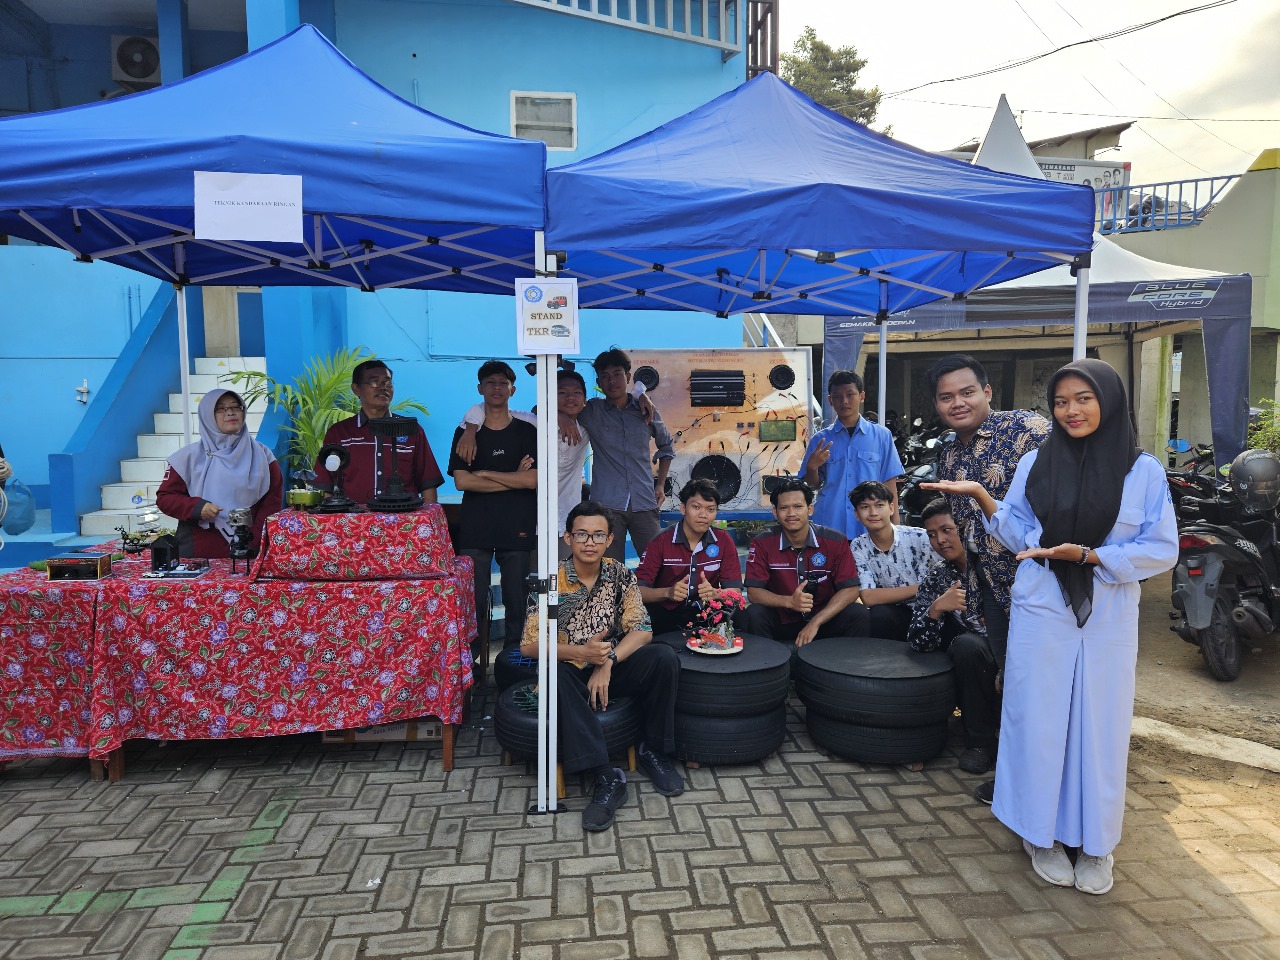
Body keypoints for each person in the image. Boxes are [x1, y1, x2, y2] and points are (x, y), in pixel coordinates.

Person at [926, 359, 1177, 896]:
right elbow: (1019, 534)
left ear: (1110, 401)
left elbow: (1161, 549)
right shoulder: (1036, 463)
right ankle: (1039, 833)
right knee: (1038, 718)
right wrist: (982, 497)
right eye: (1061, 401)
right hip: (1042, 605)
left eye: (1084, 398)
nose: (1071, 411)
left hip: (1107, 610)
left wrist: (1089, 555)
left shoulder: (1143, 470)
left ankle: (1097, 842)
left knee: (1099, 724)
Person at [520, 501, 684, 832]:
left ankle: (654, 751)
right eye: (581, 534)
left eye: (598, 535)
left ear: (610, 540)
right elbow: (530, 646)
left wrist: (607, 661)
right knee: (555, 676)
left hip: (610, 665)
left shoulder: (619, 574)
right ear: (568, 537)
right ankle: (606, 776)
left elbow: (642, 629)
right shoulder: (550, 582)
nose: (590, 542)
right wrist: (582, 652)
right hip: (569, 670)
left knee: (663, 658)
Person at [927, 353, 1049, 776]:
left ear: (987, 391)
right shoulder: (948, 454)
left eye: (967, 392)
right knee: (1012, 677)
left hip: (1039, 584)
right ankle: (1016, 774)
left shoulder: (1027, 430)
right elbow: (968, 532)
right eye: (946, 397)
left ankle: (1042, 776)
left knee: (1041, 682)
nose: (957, 403)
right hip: (992, 589)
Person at [452, 368, 649, 558]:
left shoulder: (588, 425)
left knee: (565, 577)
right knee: (530, 576)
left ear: (584, 399)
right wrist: (470, 431)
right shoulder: (536, 423)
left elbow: (626, 396)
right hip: (530, 520)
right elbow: (489, 409)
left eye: (577, 393)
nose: (570, 398)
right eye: (562, 393)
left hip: (567, 521)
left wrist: (641, 394)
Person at [447, 361, 538, 659]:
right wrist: (513, 478)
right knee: (472, 600)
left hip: (518, 524)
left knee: (517, 599)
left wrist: (485, 474)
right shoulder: (465, 433)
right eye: (490, 382)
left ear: (513, 389)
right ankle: (470, 664)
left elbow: (532, 480)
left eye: (503, 383)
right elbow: (462, 482)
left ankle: (515, 661)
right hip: (477, 526)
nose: (497, 388)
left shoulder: (527, 431)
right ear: (480, 388)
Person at [906, 498, 1001, 774]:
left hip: (1015, 652)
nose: (940, 540)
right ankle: (980, 744)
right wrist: (936, 609)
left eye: (947, 530)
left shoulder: (998, 565)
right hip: (975, 660)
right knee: (966, 645)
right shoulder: (939, 576)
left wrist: (1006, 667)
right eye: (932, 534)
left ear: (965, 528)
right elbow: (918, 642)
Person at [740, 479, 869, 646]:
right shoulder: (762, 543)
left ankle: (848, 662)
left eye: (798, 506)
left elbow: (850, 590)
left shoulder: (835, 541)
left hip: (824, 620)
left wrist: (816, 622)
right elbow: (753, 592)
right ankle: (768, 661)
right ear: (775, 512)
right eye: (784, 508)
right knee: (754, 613)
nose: (791, 513)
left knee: (858, 613)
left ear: (810, 509)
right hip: (782, 619)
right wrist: (789, 602)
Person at [157, 388, 283, 558]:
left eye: (236, 407)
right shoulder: (188, 458)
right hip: (199, 551)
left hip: (249, 550)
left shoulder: (263, 456)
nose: (230, 412)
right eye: (221, 408)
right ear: (207, 415)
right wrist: (196, 507)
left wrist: (252, 541)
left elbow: (271, 503)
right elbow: (165, 498)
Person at [577, 348, 674, 562]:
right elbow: (552, 409)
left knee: (657, 564)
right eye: (605, 376)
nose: (612, 381)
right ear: (598, 382)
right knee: (610, 569)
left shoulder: (645, 410)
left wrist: (660, 485)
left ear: (628, 377)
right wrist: (564, 418)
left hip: (644, 501)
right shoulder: (592, 411)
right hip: (607, 506)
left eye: (617, 374)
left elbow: (666, 446)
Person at [312, 359, 443, 506]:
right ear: (356, 389)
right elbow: (326, 485)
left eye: (388, 382)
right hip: (353, 517)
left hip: (403, 517)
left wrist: (428, 514)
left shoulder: (411, 430)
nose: (383, 387)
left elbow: (428, 483)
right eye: (374, 382)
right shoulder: (339, 433)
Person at [801, 370, 904, 540]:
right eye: (837, 396)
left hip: (870, 523)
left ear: (862, 396)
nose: (844, 401)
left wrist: (896, 525)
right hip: (830, 521)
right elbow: (812, 485)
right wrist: (811, 468)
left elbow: (889, 482)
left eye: (850, 394)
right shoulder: (820, 439)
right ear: (830, 400)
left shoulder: (882, 436)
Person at [635, 479, 743, 636]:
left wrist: (716, 593)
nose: (703, 515)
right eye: (696, 507)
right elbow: (637, 591)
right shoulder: (661, 541)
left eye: (710, 509)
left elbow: (736, 592)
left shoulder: (723, 540)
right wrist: (667, 593)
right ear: (683, 508)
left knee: (741, 615)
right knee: (643, 615)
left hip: (706, 612)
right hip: (666, 613)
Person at [848, 480, 935, 642]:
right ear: (856, 514)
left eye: (879, 505)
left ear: (891, 508)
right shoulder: (858, 546)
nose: (873, 512)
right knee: (878, 614)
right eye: (865, 507)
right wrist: (923, 587)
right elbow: (868, 597)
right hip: (898, 614)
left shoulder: (920, 537)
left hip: (933, 609)